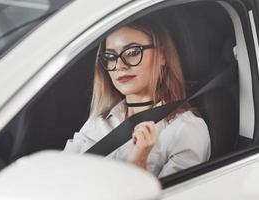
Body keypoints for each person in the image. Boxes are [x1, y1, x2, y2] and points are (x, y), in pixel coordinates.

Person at [64, 18, 210, 178]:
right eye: (111, 57)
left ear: (162, 55)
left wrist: (138, 164)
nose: (119, 65)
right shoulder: (100, 119)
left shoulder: (186, 130)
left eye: (133, 52)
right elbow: (63, 173)